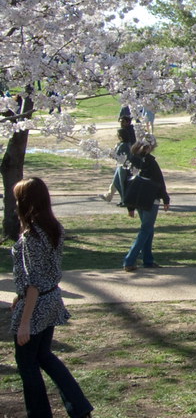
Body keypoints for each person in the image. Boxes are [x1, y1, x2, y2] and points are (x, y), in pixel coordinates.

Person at [10, 178, 94, 418]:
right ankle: (79, 407)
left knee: (27, 364)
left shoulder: (31, 238)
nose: (15, 204)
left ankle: (39, 414)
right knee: (44, 355)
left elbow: (34, 282)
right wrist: (19, 294)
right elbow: (43, 272)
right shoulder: (53, 227)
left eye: (18, 199)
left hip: (37, 304)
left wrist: (24, 322)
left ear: (26, 202)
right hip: (51, 299)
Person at [122, 141, 170, 271]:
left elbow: (126, 183)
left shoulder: (129, 162)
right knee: (146, 229)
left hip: (137, 200)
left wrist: (130, 206)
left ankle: (148, 260)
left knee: (148, 230)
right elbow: (159, 181)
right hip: (151, 199)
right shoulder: (151, 162)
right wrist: (166, 198)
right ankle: (129, 260)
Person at [101, 126, 134, 205]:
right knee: (116, 182)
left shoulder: (124, 145)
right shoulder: (125, 144)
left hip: (123, 167)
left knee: (122, 184)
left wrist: (112, 155)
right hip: (120, 166)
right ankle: (122, 199)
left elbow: (119, 156)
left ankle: (125, 201)